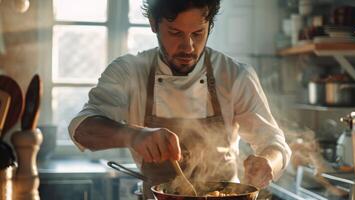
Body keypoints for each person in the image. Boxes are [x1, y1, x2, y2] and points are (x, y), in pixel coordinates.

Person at [68, 0, 291, 198]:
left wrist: (268, 162)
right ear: (153, 23)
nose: (188, 47)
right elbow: (81, 129)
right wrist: (133, 135)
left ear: (210, 26)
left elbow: (273, 143)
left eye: (198, 33)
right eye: (175, 33)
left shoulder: (234, 75)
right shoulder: (128, 72)